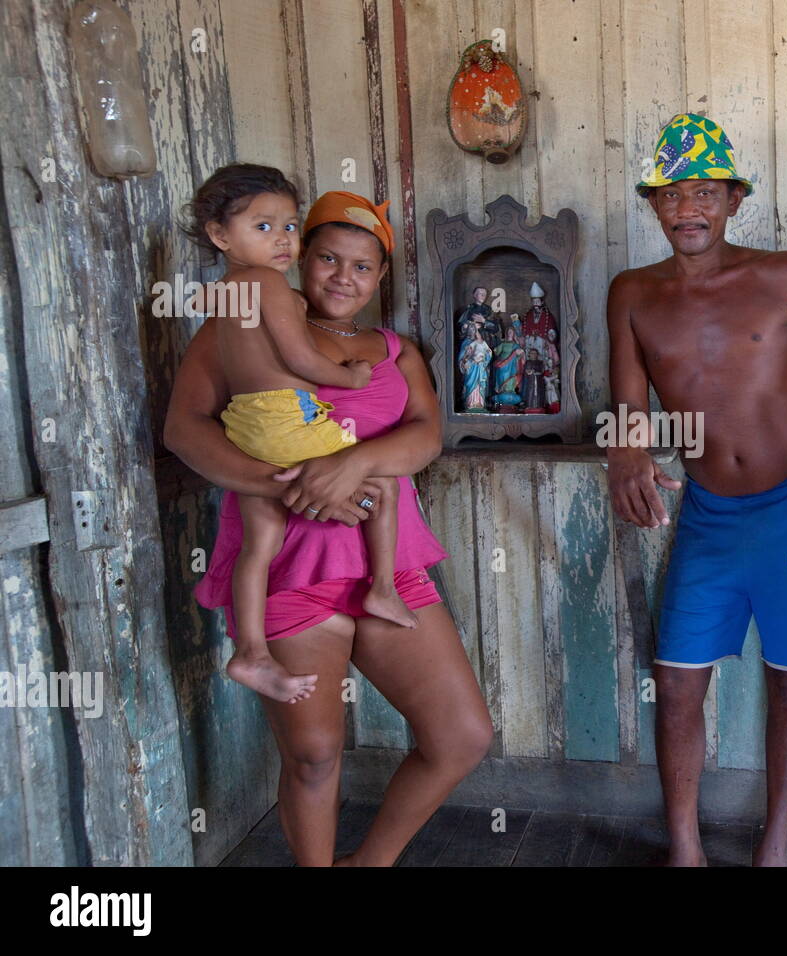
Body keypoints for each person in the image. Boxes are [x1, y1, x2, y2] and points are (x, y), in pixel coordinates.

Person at [163, 189, 493, 866]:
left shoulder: (396, 350)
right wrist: (280, 483)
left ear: (380, 277)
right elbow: (183, 428)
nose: (344, 277)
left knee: (460, 736)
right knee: (313, 756)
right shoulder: (244, 318)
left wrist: (354, 465)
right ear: (299, 258)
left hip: (384, 562)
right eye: (327, 259)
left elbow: (426, 435)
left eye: (363, 266)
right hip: (288, 562)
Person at [607, 112, 787, 866]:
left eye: (703, 193)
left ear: (732, 201)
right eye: (670, 195)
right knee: (677, 679)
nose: (686, 209)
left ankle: (772, 850)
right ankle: (685, 850)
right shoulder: (632, 292)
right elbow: (630, 402)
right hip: (708, 516)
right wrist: (624, 452)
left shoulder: (781, 279)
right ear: (653, 205)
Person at [182, 167, 417, 705]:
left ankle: (250, 653)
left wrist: (271, 481)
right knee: (380, 487)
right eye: (265, 228)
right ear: (221, 236)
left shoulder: (228, 293)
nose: (282, 240)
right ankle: (382, 589)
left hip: (247, 428)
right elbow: (297, 358)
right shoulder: (268, 286)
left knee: (258, 544)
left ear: (380, 275)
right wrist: (348, 377)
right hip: (283, 419)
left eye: (288, 227)